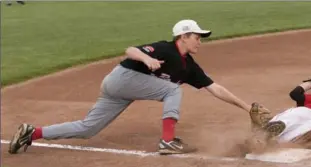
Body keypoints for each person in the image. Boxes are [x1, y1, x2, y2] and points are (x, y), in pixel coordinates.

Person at [8, 19, 252, 155]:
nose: (200, 40)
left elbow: (214, 87)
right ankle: (168, 141)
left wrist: (246, 106)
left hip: (123, 88)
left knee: (88, 128)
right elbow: (130, 50)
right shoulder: (166, 48)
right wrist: (147, 59)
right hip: (121, 79)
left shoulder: (190, 67)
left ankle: (32, 132)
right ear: (183, 36)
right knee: (172, 90)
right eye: (197, 36)